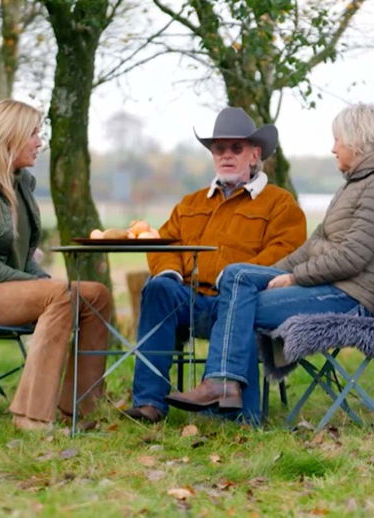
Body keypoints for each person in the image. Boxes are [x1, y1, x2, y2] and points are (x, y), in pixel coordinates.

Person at [165, 103, 374, 420]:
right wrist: (272, 273)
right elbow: (314, 245)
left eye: (337, 140)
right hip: (333, 285)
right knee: (239, 277)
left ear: (357, 141)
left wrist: (295, 277)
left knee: (237, 307)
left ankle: (233, 405)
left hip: (349, 296)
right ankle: (227, 392)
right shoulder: (359, 183)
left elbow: (352, 258)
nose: (333, 148)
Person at [0, 99, 111, 431]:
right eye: (33, 133)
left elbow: (24, 256)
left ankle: (80, 411)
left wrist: (41, 280)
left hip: (0, 289)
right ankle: (31, 415)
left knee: (96, 295)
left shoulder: (21, 182)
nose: (40, 142)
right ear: (9, 136)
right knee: (58, 294)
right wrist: (43, 286)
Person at [124, 107, 307, 424]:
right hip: (192, 300)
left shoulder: (280, 203)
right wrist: (170, 272)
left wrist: (235, 276)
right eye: (219, 149)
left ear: (254, 154)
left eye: (236, 148)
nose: (226, 155)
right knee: (158, 289)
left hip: (241, 303)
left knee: (239, 303)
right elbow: (164, 242)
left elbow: (285, 253)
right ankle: (149, 403)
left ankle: (233, 411)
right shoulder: (191, 203)